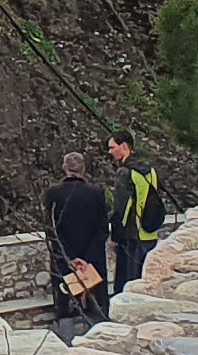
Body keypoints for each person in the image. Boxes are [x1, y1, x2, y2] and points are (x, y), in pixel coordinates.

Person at [46, 150, 113, 334]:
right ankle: (99, 337)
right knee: (96, 305)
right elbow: (102, 229)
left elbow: (52, 231)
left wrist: (71, 258)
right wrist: (86, 258)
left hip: (63, 259)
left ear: (64, 168)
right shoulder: (97, 194)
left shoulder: (54, 194)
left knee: (65, 303)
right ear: (84, 168)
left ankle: (67, 340)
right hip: (93, 260)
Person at [103, 133, 164, 295]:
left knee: (128, 286)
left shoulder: (124, 173)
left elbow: (121, 209)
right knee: (147, 281)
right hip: (150, 232)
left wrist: (115, 238)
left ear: (124, 147)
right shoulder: (150, 170)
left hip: (131, 236)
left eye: (112, 147)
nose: (110, 152)